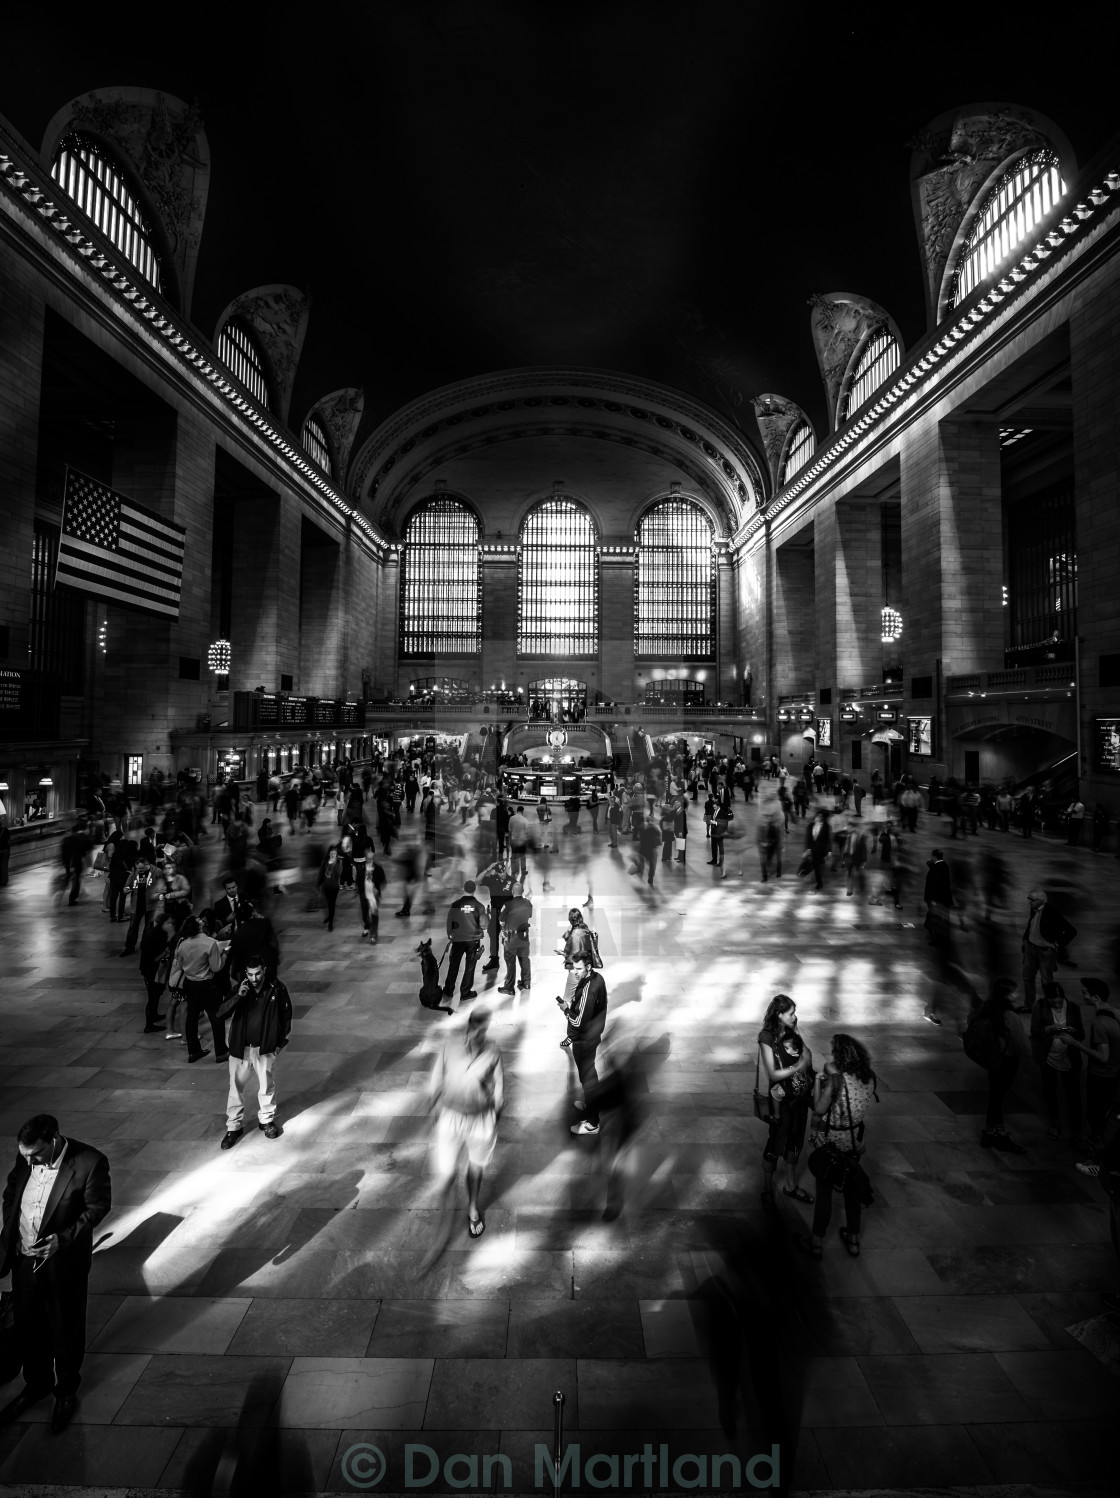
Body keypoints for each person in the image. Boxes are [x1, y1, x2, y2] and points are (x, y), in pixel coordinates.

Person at [0, 1113, 112, 1432]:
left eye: (35, 1155)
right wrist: (12, 1233)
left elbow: (97, 1208)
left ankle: (65, 1391)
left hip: (62, 1264)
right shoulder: (27, 1155)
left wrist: (61, 1241)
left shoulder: (90, 1161)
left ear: (53, 1140)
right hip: (24, 1259)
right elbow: (12, 1192)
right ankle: (35, 1385)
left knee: (65, 1330)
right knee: (27, 1326)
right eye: (24, 1156)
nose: (29, 1161)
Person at [425, 1006, 505, 1249]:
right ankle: (444, 1214)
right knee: (447, 1172)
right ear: (470, 1026)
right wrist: (433, 1109)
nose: (479, 1036)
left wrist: (494, 1115)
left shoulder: (493, 1051)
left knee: (476, 1167)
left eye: (484, 1030)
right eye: (476, 1029)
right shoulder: (450, 1046)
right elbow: (436, 1080)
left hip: (480, 1119)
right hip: (452, 1117)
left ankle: (472, 1208)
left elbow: (499, 1089)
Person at [797, 1034, 877, 1258]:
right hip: (854, 1141)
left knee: (824, 1192)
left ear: (839, 1056)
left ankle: (816, 1241)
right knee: (851, 1192)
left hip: (831, 1143)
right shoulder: (869, 1078)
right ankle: (853, 1239)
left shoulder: (836, 1081)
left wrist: (817, 1085)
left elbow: (819, 1109)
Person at [219, 958, 294, 1148]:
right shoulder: (240, 989)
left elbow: (286, 1016)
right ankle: (234, 1126)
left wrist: (279, 1043)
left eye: (258, 973)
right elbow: (221, 1013)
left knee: (266, 1086)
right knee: (235, 1088)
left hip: (265, 1048)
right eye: (250, 974)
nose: (254, 978)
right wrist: (239, 996)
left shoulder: (277, 988)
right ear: (245, 973)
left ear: (264, 970)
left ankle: (266, 1121)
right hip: (240, 1048)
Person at [756, 994, 813, 1210]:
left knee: (796, 1142)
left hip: (799, 1097)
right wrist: (797, 1067)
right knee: (776, 1142)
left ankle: (790, 1184)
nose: (795, 1016)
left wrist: (797, 1033)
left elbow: (808, 1057)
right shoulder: (766, 1037)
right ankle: (767, 1187)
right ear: (779, 1015)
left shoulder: (792, 1032)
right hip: (781, 1100)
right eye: (791, 1013)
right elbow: (772, 1073)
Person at [967, 978, 1027, 1153]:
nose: (1018, 994)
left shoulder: (988, 1008)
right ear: (1007, 994)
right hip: (1008, 1060)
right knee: (997, 1099)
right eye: (1014, 991)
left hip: (993, 1059)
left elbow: (972, 1021)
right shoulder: (1010, 1016)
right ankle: (997, 1135)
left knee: (995, 1096)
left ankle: (990, 1133)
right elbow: (1020, 1044)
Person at [1064, 979, 1120, 1151]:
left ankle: (1097, 1155)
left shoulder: (1099, 1023)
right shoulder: (1117, 1013)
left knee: (1095, 1114)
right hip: (1115, 1073)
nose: (1082, 994)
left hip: (1100, 1074)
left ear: (1095, 997)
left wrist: (1075, 1043)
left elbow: (1103, 1056)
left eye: (1085, 993)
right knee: (1108, 1111)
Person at [168, 913, 229, 1064]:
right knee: (216, 1017)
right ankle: (221, 1052)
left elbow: (180, 965)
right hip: (207, 984)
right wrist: (224, 955)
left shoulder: (183, 944)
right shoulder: (210, 943)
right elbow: (215, 967)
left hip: (190, 983)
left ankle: (193, 1051)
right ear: (199, 926)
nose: (201, 921)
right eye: (199, 920)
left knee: (191, 1017)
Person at [1030, 979, 1085, 1144]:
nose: (1057, 1005)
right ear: (1047, 999)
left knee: (1073, 1094)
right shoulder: (1039, 1006)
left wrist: (1073, 1033)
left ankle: (1076, 1130)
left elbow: (1081, 1034)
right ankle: (1055, 1122)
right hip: (1048, 1057)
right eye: (1053, 1002)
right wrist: (1051, 1028)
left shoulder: (1073, 1008)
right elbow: (1034, 1031)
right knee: (1050, 1091)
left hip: (1069, 1057)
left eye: (1060, 1002)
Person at [558, 953, 608, 1135]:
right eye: (573, 968)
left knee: (587, 1078)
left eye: (578, 969)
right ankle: (591, 1103)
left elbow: (578, 1022)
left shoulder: (589, 989)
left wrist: (566, 1010)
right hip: (593, 1036)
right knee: (590, 1075)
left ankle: (593, 1123)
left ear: (588, 967)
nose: (575, 972)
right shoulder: (598, 978)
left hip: (584, 1040)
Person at [1021, 888, 1077, 1008]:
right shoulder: (1034, 908)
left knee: (1046, 981)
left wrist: (1058, 944)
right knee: (1027, 977)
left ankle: (1047, 1006)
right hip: (1030, 949)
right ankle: (1029, 1005)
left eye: (1032, 900)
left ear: (1041, 901)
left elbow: (1071, 931)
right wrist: (1025, 938)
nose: (1029, 902)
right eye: (1028, 898)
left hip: (1045, 952)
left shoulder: (1052, 913)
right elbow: (1031, 924)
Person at [443, 880, 485, 1006]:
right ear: (474, 889)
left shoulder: (455, 904)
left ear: (464, 888)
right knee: (470, 966)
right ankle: (465, 992)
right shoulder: (479, 906)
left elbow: (449, 920)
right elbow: (483, 924)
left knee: (454, 964)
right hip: (473, 940)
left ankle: (448, 990)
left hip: (458, 939)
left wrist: (450, 933)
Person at [138, 911, 176, 1033]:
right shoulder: (152, 936)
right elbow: (151, 958)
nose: (170, 925)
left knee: (157, 993)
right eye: (168, 923)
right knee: (152, 997)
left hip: (158, 970)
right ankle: (149, 1025)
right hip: (151, 971)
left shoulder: (160, 933)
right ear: (162, 923)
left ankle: (154, 1015)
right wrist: (165, 952)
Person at [227, 901, 280, 985]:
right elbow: (274, 943)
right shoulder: (265, 923)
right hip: (267, 966)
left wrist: (235, 973)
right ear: (252, 911)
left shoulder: (238, 934)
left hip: (250, 973)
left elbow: (237, 957)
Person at [497, 880, 533, 994]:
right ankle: (526, 983)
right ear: (522, 891)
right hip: (524, 936)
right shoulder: (528, 903)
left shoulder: (508, 905)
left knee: (510, 962)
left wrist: (504, 928)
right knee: (524, 958)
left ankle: (509, 987)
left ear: (512, 891)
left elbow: (501, 919)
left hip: (511, 938)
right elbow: (529, 915)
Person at [923, 848, 953, 947]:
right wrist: (931, 864)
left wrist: (933, 901)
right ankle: (942, 940)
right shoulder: (944, 865)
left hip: (936, 900)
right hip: (943, 899)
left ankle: (938, 941)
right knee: (940, 921)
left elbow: (935, 885)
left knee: (934, 921)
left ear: (935, 857)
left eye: (932, 856)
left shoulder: (937, 868)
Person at [356, 847, 385, 942]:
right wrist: (360, 891)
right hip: (364, 894)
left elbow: (383, 881)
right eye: (368, 858)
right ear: (365, 858)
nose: (370, 860)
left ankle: (373, 934)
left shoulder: (378, 868)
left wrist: (377, 889)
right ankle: (367, 926)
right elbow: (358, 880)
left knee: (374, 914)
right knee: (364, 913)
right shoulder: (361, 868)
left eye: (371, 858)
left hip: (374, 895)